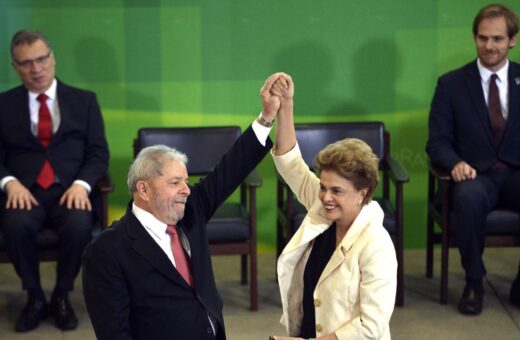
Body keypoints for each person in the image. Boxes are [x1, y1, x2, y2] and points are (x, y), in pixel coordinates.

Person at [82, 73, 284, 340]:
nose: (186, 190)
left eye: (186, 181)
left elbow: (230, 169)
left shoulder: (191, 211)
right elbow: (114, 333)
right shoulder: (107, 250)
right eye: (175, 182)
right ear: (143, 189)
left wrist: (266, 117)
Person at [270, 74, 397, 340]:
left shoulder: (377, 245)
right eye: (323, 187)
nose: (326, 197)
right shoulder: (324, 209)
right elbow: (289, 162)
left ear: (363, 193)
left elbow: (370, 328)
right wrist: (286, 104)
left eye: (337, 191)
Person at [0, 29, 109, 332]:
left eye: (41, 59)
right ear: (15, 67)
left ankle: (62, 296)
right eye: (26, 63)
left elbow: (99, 152)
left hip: (69, 190)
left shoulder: (84, 101)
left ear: (53, 58)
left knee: (78, 226)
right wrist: (8, 181)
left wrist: (82, 184)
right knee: (16, 226)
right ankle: (34, 297)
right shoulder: (3, 104)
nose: (36, 69)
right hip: (24, 192)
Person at [426, 3, 520, 315]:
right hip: (474, 176)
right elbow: (437, 142)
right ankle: (474, 282)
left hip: (516, 173)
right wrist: (454, 163)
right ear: (475, 38)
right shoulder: (451, 84)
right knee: (466, 199)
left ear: (512, 40)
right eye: (482, 38)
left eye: (497, 39)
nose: (489, 46)